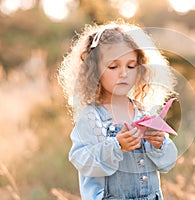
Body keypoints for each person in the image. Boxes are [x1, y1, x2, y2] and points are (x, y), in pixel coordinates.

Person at [58, 20, 178, 200]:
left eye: (131, 66)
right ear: (94, 70)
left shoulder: (144, 112)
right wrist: (116, 146)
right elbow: (82, 160)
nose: (124, 73)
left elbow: (167, 163)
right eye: (113, 66)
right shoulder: (92, 117)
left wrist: (160, 143)